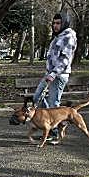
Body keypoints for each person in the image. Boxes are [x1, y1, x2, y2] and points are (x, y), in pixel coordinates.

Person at [33, 12, 77, 140]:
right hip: (50, 74)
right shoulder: (58, 36)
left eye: (58, 23)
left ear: (64, 24)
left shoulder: (68, 37)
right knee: (37, 97)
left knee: (53, 104)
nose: (55, 26)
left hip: (59, 75)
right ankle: (55, 123)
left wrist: (53, 74)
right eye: (54, 23)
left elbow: (65, 60)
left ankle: (53, 131)